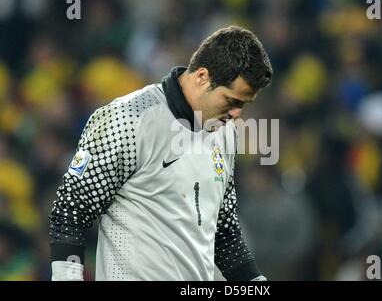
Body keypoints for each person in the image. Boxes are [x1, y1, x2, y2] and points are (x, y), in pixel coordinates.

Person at [49, 25, 273, 281]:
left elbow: (224, 230)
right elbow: (72, 209)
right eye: (232, 101)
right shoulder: (128, 119)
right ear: (202, 77)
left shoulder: (225, 134)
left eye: (243, 105)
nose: (237, 114)